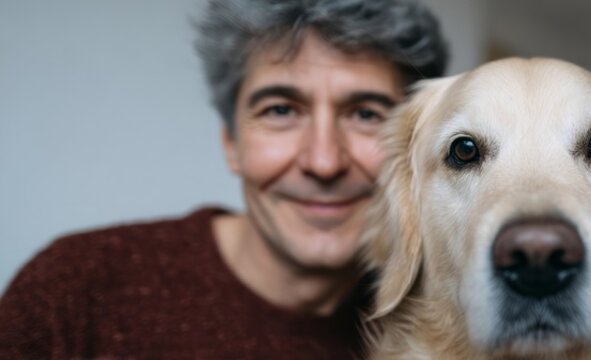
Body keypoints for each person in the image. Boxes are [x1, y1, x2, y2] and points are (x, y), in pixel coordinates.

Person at [0, 0, 447, 358]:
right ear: (231, 143)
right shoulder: (74, 293)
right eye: (281, 110)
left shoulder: (451, 326)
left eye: (366, 114)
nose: (324, 161)